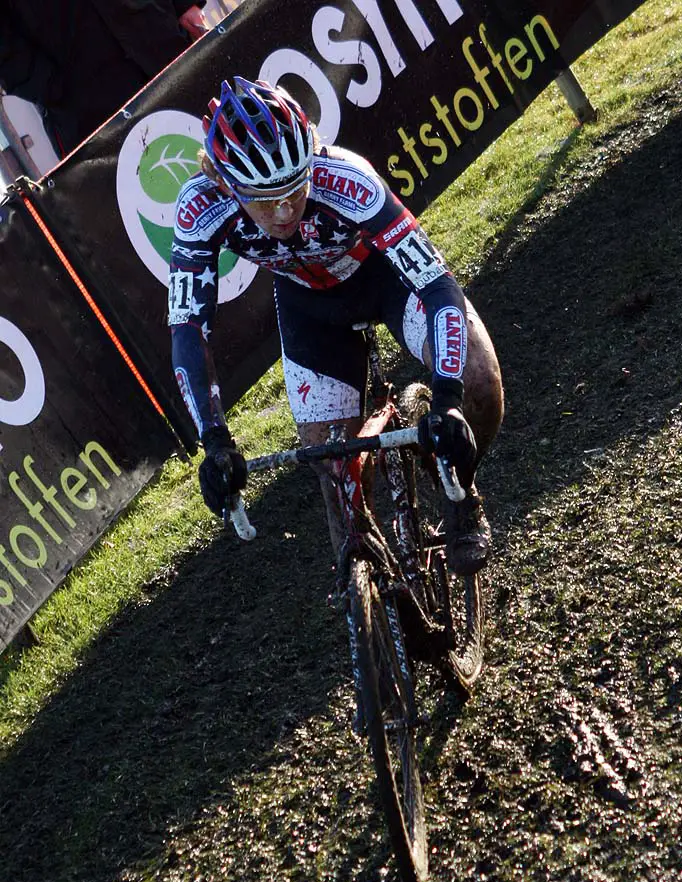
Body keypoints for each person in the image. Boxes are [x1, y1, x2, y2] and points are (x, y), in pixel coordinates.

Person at [169, 78, 504, 575]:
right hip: (311, 310)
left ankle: (461, 494)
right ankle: (375, 614)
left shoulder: (348, 178)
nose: (284, 211)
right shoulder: (199, 208)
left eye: (295, 190)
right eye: (265, 199)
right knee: (333, 472)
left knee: (477, 382)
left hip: (385, 282)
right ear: (224, 183)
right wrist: (214, 438)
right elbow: (187, 328)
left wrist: (449, 399)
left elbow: (436, 287)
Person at [0, 0, 208, 156]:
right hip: (85, 103)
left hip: (162, 41)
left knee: (227, 158)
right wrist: (49, 86)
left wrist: (184, 4)